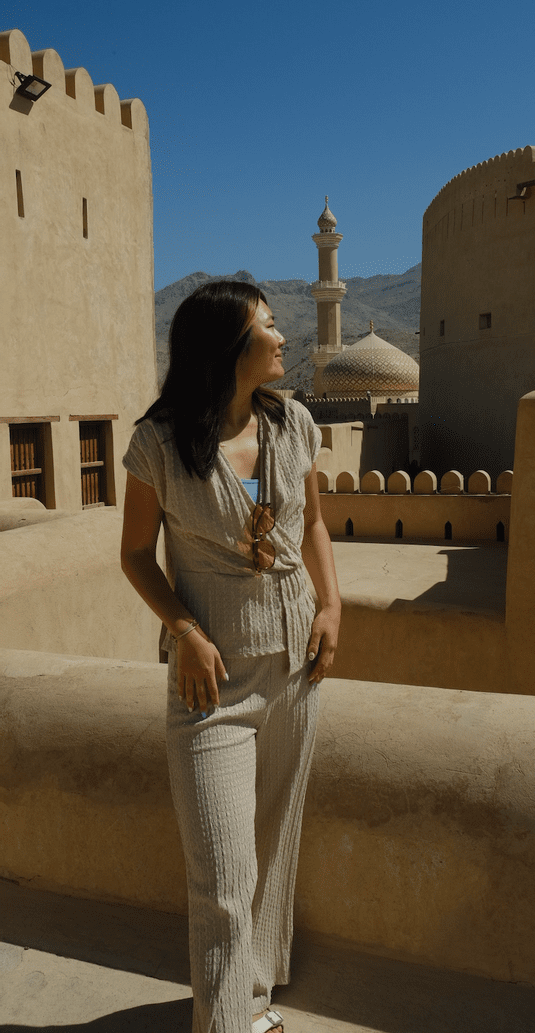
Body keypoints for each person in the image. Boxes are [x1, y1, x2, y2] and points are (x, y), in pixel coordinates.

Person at [120, 281, 341, 1033]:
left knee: (272, 845)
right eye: (268, 328)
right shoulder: (158, 442)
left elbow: (313, 522)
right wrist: (183, 629)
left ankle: (249, 1002)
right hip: (211, 680)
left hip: (295, 666)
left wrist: (332, 603)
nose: (284, 339)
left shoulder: (296, 423)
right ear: (228, 350)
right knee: (223, 869)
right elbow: (135, 556)